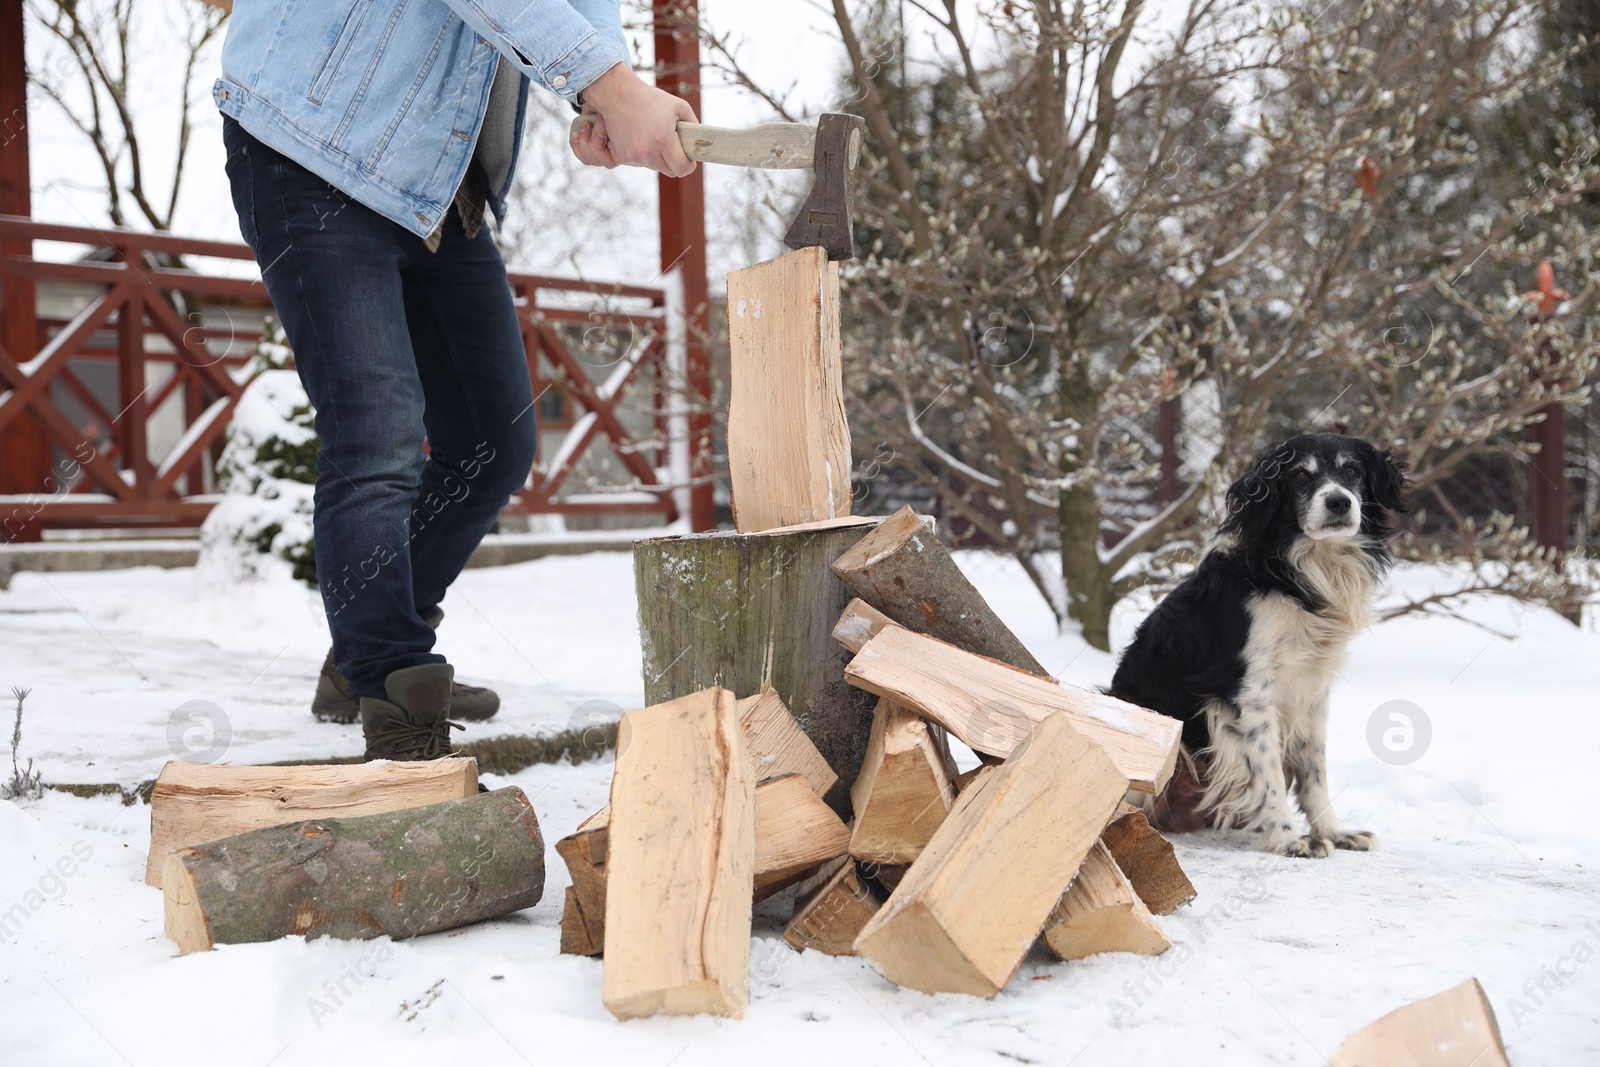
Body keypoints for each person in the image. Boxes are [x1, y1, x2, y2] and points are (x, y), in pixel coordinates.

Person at [214, 0, 695, 760]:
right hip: (312, 142)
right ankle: (397, 689)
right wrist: (608, 84)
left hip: (436, 177)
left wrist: (602, 81)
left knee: (493, 438)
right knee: (377, 435)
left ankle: (366, 652)